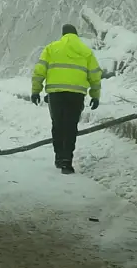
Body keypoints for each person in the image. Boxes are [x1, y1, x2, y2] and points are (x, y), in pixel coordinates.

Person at [30, 24, 102, 174]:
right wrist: (95, 95)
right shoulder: (86, 51)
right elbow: (95, 74)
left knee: (58, 125)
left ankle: (58, 157)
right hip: (76, 94)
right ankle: (67, 162)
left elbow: (39, 70)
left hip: (55, 94)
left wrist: (36, 91)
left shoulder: (51, 48)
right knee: (70, 126)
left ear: (62, 34)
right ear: (76, 34)